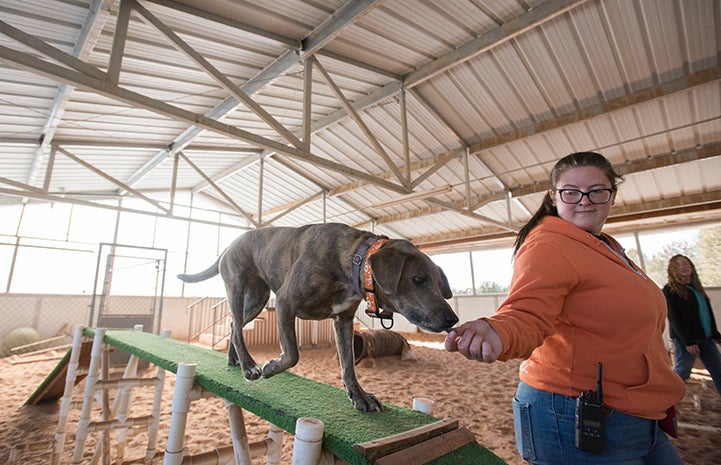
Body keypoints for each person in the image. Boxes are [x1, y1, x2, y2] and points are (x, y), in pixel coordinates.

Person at [445, 152, 686, 465]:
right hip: (576, 413)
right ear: (554, 197)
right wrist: (499, 330)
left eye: (597, 190)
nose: (584, 200)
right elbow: (527, 311)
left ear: (612, 194)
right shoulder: (549, 244)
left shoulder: (607, 246)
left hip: (638, 413)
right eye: (571, 192)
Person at [663, 254, 721, 396]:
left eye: (686, 263)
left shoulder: (696, 288)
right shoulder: (669, 290)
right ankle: (663, 397)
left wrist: (715, 333)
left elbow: (706, 313)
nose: (684, 267)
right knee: (682, 372)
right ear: (673, 270)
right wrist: (688, 341)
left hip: (706, 339)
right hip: (686, 342)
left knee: (718, 371)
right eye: (679, 265)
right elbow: (673, 318)